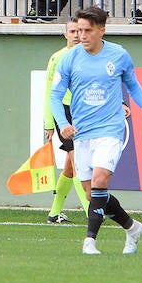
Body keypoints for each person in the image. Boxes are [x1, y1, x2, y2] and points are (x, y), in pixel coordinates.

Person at [48, 5, 142, 255]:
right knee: (93, 195)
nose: (81, 36)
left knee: (100, 179)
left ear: (101, 30)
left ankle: (89, 240)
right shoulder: (69, 58)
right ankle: (132, 227)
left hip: (110, 130)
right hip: (82, 133)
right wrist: (64, 124)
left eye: (87, 31)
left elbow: (133, 87)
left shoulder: (119, 56)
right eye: (79, 30)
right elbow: (55, 96)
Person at [42, 19, 91, 224]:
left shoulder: (89, 56)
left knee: (71, 168)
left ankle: (54, 213)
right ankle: (92, 212)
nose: (76, 35)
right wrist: (49, 122)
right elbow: (49, 91)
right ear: (65, 35)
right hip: (64, 112)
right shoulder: (58, 58)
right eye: (72, 31)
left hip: (83, 111)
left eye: (78, 31)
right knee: (78, 162)